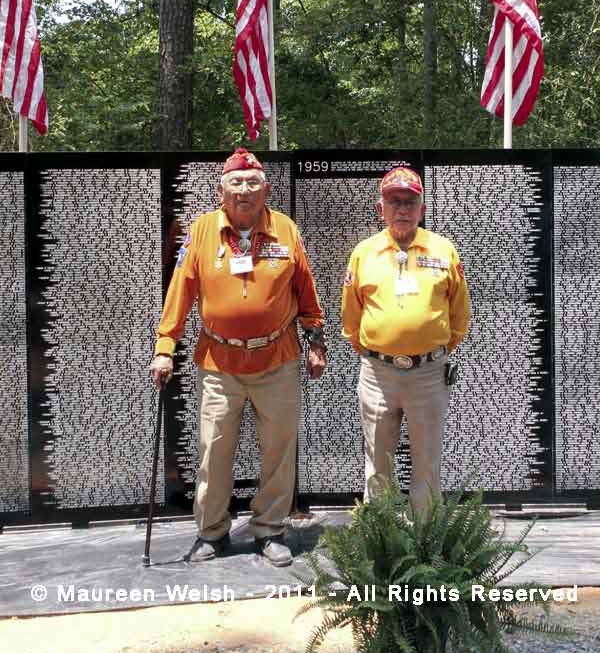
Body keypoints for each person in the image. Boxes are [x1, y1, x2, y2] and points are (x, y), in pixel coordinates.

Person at [150, 148, 326, 567]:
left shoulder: (286, 230)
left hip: (277, 360)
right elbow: (181, 292)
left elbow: (306, 291)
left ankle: (271, 530)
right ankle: (211, 532)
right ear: (221, 191)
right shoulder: (202, 231)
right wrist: (164, 347)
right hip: (220, 363)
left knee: (278, 450)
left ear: (266, 190)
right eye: (236, 183)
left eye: (252, 183)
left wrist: (316, 342)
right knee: (214, 450)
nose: (244, 191)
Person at [341, 166, 470, 515]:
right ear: (380, 207)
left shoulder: (444, 251)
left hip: (428, 374)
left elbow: (460, 314)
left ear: (422, 209)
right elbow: (350, 317)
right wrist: (377, 351)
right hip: (377, 373)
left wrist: (432, 349)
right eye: (394, 201)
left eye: (410, 202)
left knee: (426, 460)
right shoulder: (363, 253)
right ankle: (381, 540)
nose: (402, 209)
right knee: (377, 461)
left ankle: (424, 539)